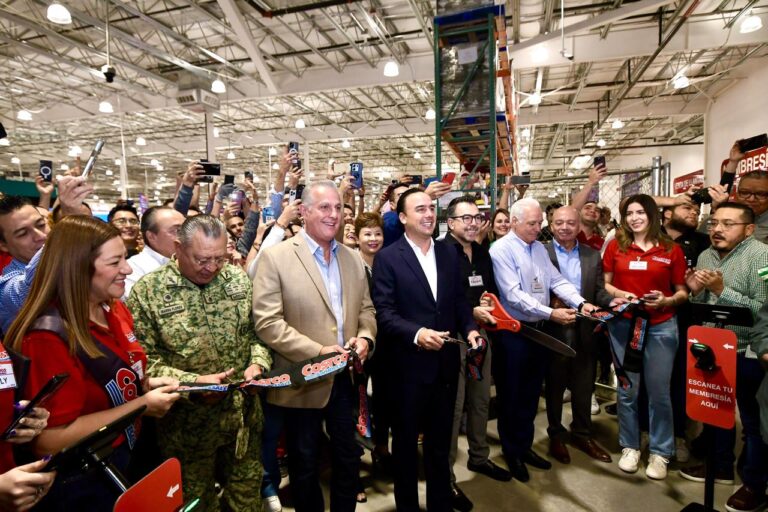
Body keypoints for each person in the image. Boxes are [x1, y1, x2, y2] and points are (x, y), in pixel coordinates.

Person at [4, 215, 180, 510]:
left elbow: (110, 386)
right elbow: (48, 440)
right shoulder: (47, 336)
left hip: (123, 458)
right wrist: (141, 405)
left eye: (125, 257)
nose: (127, 268)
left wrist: (145, 386)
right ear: (78, 269)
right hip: (80, 482)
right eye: (115, 262)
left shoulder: (115, 308)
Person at [127, 215, 272, 512]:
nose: (212, 268)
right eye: (202, 259)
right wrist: (192, 383)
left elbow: (259, 335)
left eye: (219, 258)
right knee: (195, 502)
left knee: (247, 498)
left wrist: (257, 364)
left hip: (242, 420)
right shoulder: (148, 292)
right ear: (178, 248)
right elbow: (144, 362)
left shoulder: (237, 279)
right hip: (186, 428)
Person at [252, 181, 376, 512]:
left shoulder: (352, 259)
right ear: (304, 212)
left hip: (345, 379)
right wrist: (317, 352)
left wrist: (365, 337)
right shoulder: (275, 258)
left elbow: (366, 310)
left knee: (348, 457)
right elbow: (268, 323)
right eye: (324, 207)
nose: (334, 214)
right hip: (302, 379)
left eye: (337, 207)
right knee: (305, 462)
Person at [372, 188, 482, 512]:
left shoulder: (448, 253)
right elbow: (384, 312)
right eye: (420, 209)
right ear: (402, 217)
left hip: (445, 368)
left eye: (431, 208)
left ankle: (440, 504)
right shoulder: (389, 258)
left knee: (439, 447)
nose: (429, 214)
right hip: (406, 371)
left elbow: (459, 301)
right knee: (405, 448)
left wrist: (471, 329)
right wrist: (417, 333)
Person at [489, 197, 597, 483]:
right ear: (514, 222)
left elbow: (556, 281)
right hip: (514, 332)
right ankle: (511, 452)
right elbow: (513, 295)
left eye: (540, 223)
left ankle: (524, 447)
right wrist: (552, 313)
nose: (539, 229)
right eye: (532, 224)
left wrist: (581, 303)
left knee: (530, 394)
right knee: (511, 395)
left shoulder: (537, 248)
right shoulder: (501, 250)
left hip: (539, 331)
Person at [681, 203, 768, 512]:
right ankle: (720, 468)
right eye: (714, 222)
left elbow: (762, 311)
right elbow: (703, 302)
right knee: (715, 412)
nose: (717, 229)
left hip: (749, 352)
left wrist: (721, 289)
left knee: (754, 422)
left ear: (748, 229)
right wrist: (695, 291)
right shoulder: (706, 255)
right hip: (713, 348)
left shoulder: (761, 256)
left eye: (727, 224)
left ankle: (755, 484)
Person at [602, 194, 688, 480]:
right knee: (627, 390)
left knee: (659, 392)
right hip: (624, 324)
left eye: (640, 212)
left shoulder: (671, 250)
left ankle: (661, 451)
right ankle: (629, 446)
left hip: (661, 325)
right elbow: (606, 284)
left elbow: (682, 291)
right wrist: (621, 294)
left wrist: (666, 301)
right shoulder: (616, 246)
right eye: (628, 213)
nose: (634, 218)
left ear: (652, 215)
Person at [443, 196, 511, 512]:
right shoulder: (440, 253)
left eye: (476, 217)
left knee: (480, 400)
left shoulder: (482, 254)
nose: (472, 222)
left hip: (481, 336)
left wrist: (487, 304)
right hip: (454, 339)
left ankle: (480, 457)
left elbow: (490, 288)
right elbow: (442, 302)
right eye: (465, 217)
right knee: (453, 408)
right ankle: (446, 479)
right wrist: (472, 312)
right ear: (451, 222)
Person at [543, 206, 615, 465]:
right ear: (551, 225)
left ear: (578, 226)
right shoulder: (540, 252)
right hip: (554, 328)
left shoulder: (592, 255)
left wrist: (617, 299)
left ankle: (583, 433)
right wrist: (549, 304)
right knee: (554, 385)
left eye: (570, 223)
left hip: (586, 328)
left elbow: (598, 292)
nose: (564, 227)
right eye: (559, 222)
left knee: (584, 386)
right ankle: (556, 435)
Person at [0, 177, 92, 335]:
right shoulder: (8, 288)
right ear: (4, 245)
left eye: (41, 225)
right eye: (23, 234)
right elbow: (34, 287)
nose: (40, 236)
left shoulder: (73, 259)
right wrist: (70, 221)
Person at [123, 206, 185, 300]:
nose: (186, 236)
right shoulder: (134, 268)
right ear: (151, 236)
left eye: (187, 229)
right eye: (177, 231)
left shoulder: (191, 262)